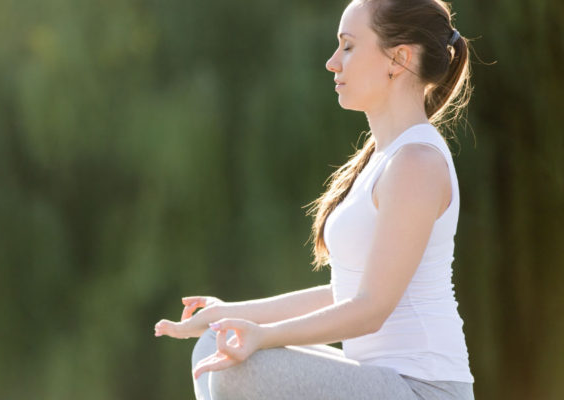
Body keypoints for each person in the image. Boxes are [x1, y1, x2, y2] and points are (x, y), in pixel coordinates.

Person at [153, 0, 476, 399]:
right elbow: (346, 292)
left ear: (399, 58)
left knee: (241, 370)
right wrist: (231, 314)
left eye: (348, 46)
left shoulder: (416, 163)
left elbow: (371, 309)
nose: (332, 63)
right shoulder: (383, 157)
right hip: (383, 379)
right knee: (216, 343)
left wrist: (264, 336)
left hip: (424, 388)